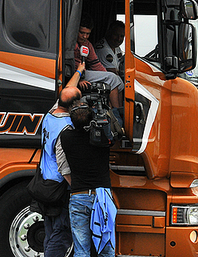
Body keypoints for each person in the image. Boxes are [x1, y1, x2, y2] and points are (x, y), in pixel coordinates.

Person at [40, 61, 85, 257]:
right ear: (73, 106)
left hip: (45, 182)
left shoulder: (50, 114)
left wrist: (79, 71)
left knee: (50, 232)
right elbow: (63, 164)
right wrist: (76, 188)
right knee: (62, 233)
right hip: (60, 186)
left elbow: (67, 90)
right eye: (80, 102)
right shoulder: (67, 127)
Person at [59, 103, 116, 257]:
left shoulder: (66, 137)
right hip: (101, 197)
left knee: (81, 250)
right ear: (92, 119)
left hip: (78, 196)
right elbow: (114, 134)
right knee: (106, 246)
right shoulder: (102, 137)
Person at [75, 14, 124, 108]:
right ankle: (116, 113)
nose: (85, 36)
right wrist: (79, 78)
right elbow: (67, 65)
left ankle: (117, 110)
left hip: (83, 73)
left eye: (88, 34)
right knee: (113, 78)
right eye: (82, 33)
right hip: (75, 74)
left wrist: (106, 76)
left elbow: (95, 63)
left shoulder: (87, 45)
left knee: (116, 80)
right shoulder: (70, 44)